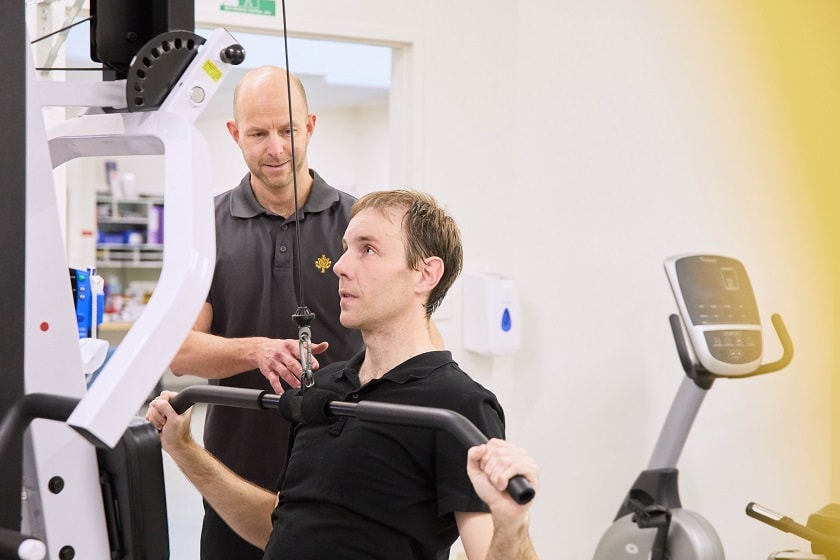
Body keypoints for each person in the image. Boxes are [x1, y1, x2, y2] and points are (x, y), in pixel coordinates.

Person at [148, 190, 539, 559]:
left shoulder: (458, 406)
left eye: (367, 250)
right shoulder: (325, 389)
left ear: (425, 274)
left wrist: (512, 524)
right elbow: (281, 526)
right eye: (345, 249)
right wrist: (184, 449)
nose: (340, 266)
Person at [168, 65, 365, 559]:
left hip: (342, 475)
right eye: (258, 133)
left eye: (288, 130)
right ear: (235, 134)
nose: (275, 148)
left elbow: (400, 333)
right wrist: (257, 351)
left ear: (310, 127)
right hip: (233, 480)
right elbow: (180, 352)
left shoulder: (358, 223)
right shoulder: (204, 226)